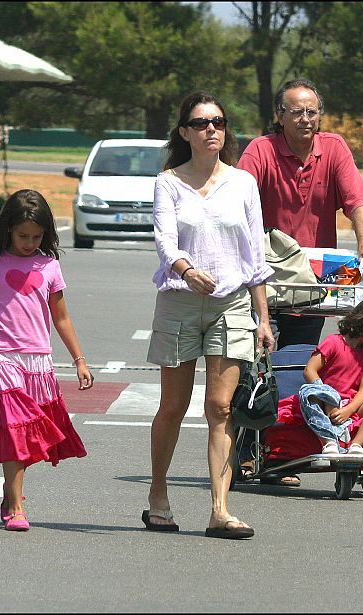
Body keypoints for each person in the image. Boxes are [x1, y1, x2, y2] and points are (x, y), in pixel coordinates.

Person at [144, 91, 275, 540]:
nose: (211, 130)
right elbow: (165, 240)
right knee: (174, 407)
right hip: (180, 300)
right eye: (201, 123)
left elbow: (255, 253)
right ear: (184, 132)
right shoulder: (168, 182)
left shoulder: (242, 183)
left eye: (218, 122)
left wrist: (263, 317)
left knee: (220, 407)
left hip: (232, 303)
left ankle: (220, 509)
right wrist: (185, 268)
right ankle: (158, 495)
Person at [0, 189, 93, 532]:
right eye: (22, 236)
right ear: (7, 230)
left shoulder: (49, 266)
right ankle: (16, 506)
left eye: (37, 236)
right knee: (15, 427)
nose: (30, 243)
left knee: (27, 432)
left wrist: (79, 359)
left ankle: (9, 490)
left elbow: (61, 317)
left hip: (37, 359)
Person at [238, 78, 363, 350]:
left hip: (314, 279)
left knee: (298, 358)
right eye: (296, 112)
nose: (305, 119)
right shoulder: (260, 149)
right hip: (266, 276)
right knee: (259, 356)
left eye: (311, 112)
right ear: (280, 116)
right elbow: (237, 202)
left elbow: (356, 202)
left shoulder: (334, 147)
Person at [295, 295, 363, 455]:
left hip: (352, 406)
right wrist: (327, 396)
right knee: (309, 392)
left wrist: (348, 410)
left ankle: (356, 445)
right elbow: (310, 370)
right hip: (326, 403)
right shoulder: (333, 343)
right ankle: (329, 441)